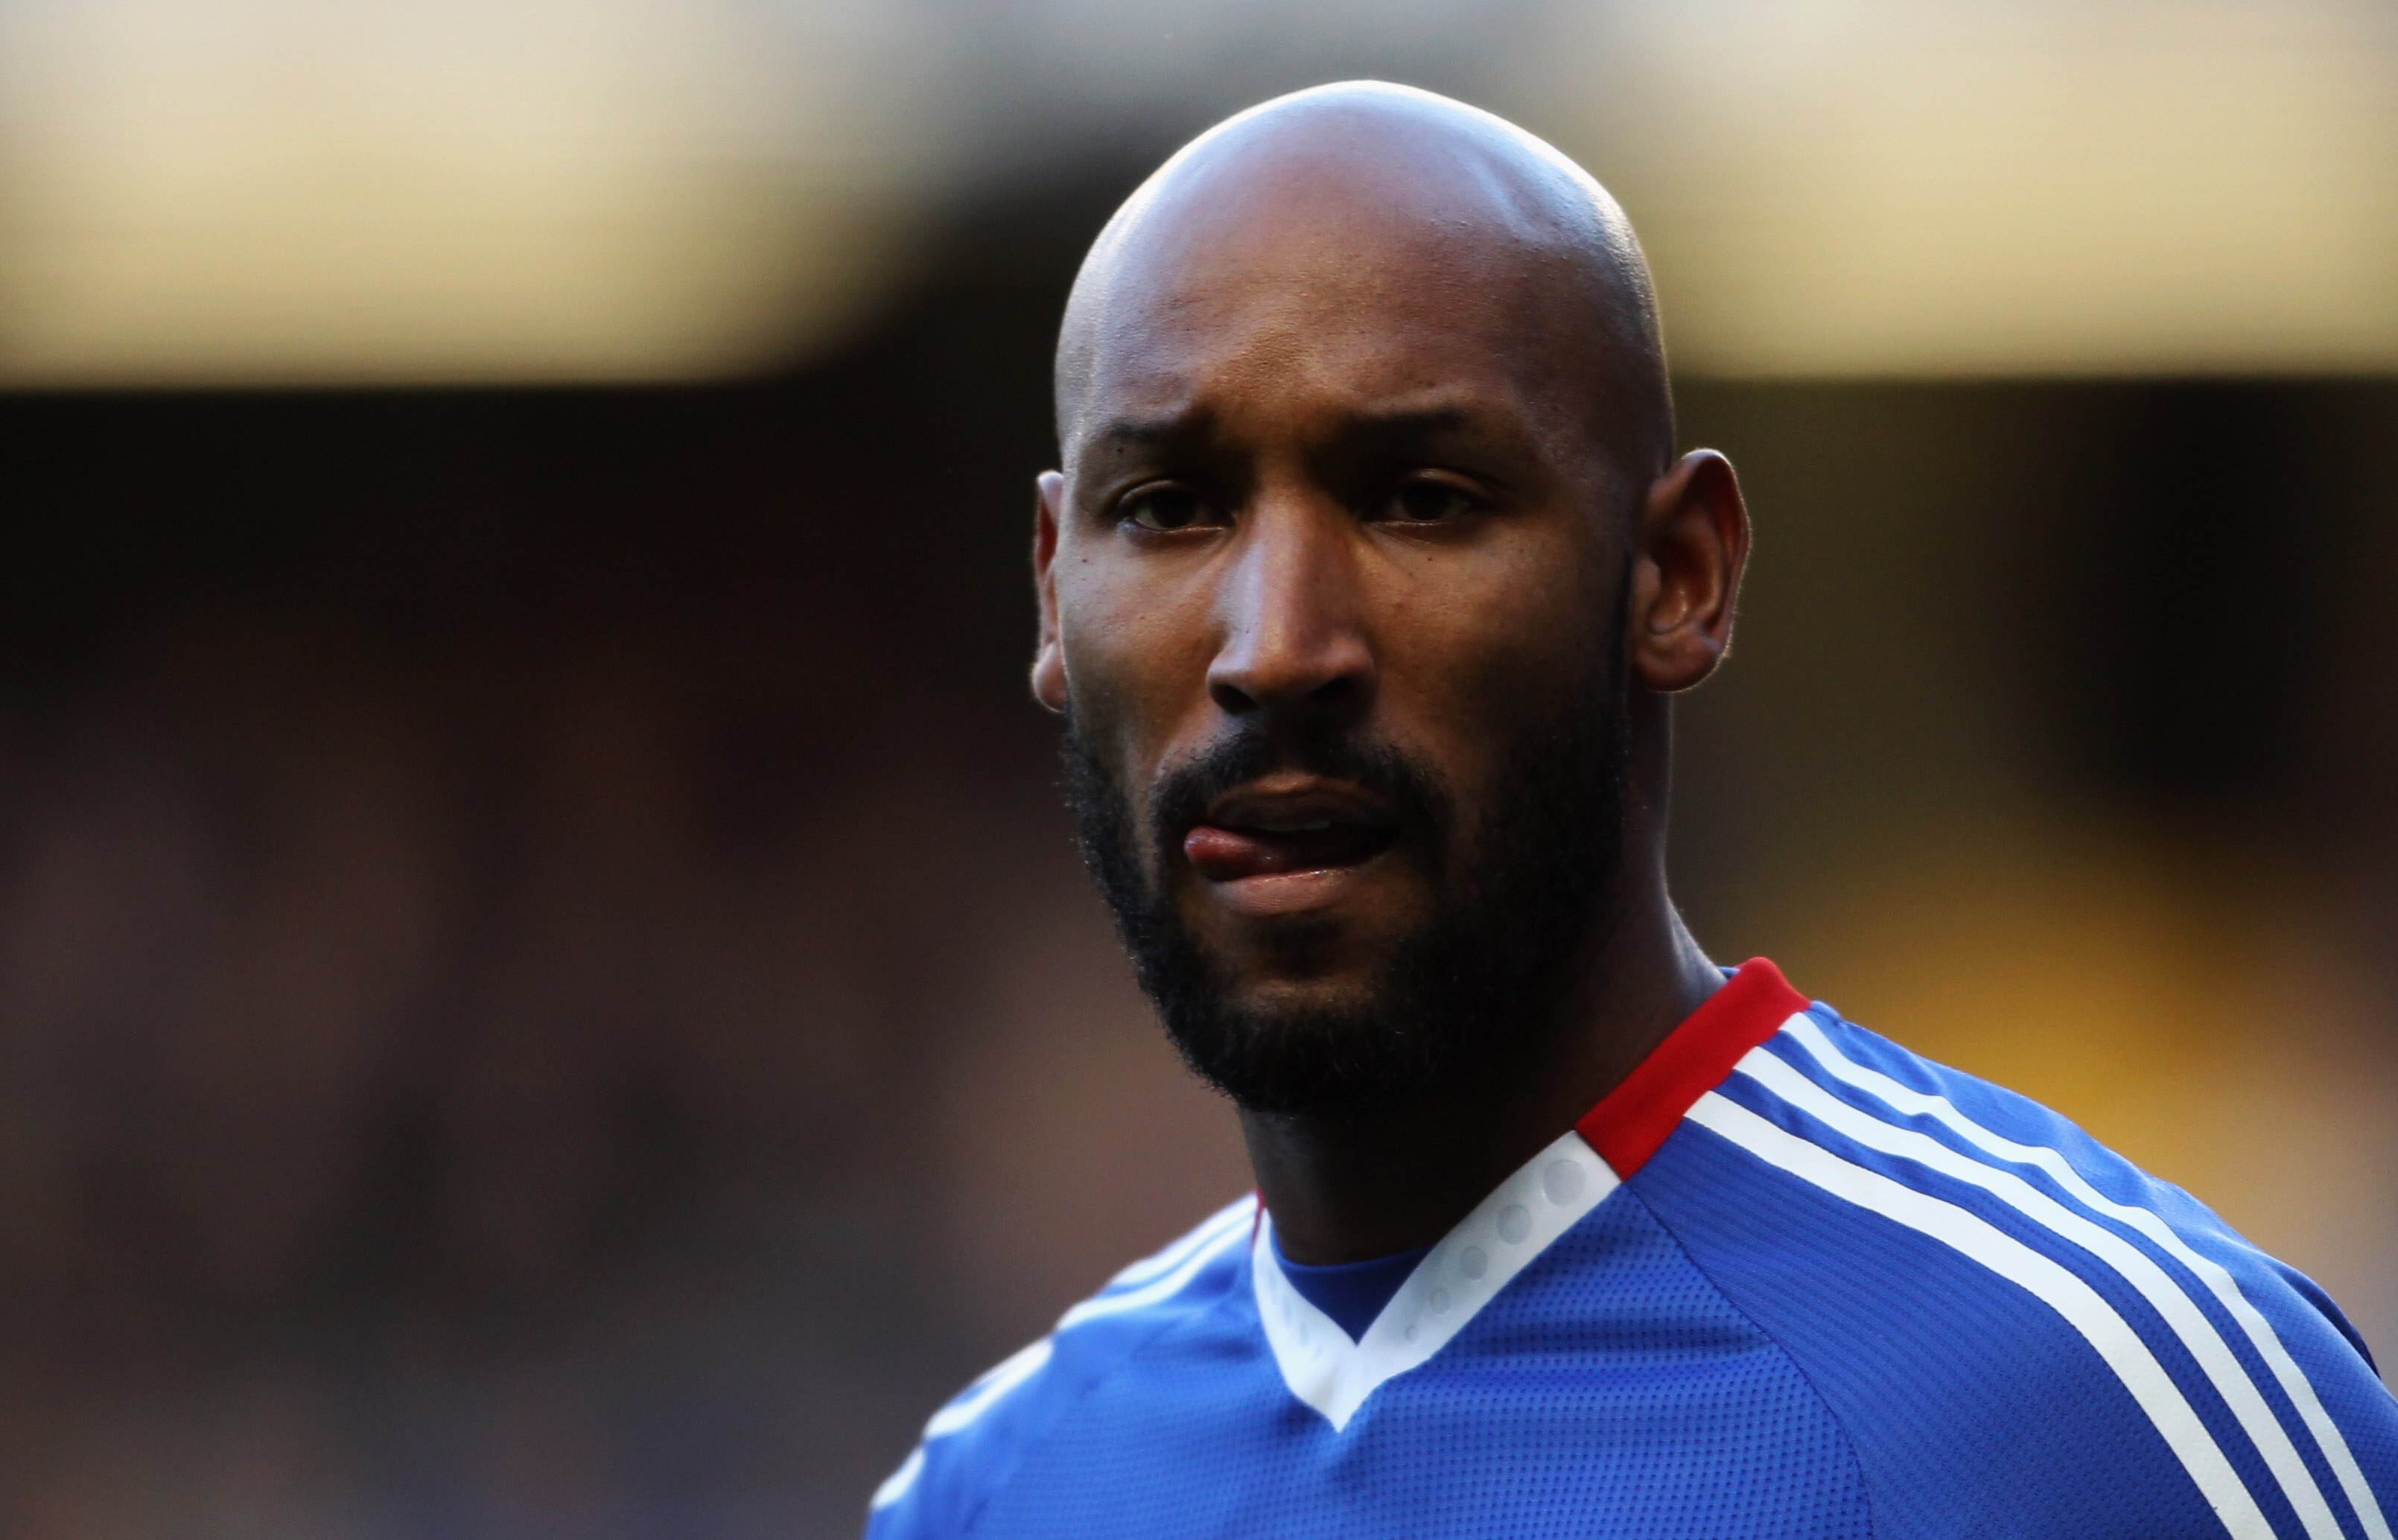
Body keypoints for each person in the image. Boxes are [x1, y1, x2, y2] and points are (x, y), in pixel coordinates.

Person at [865, 80, 2398, 1539]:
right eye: (1169, 509)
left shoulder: (2091, 1402)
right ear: (1055, 592)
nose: (1274, 643)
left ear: (1677, 575)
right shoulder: (1001, 1487)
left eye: (1420, 497)